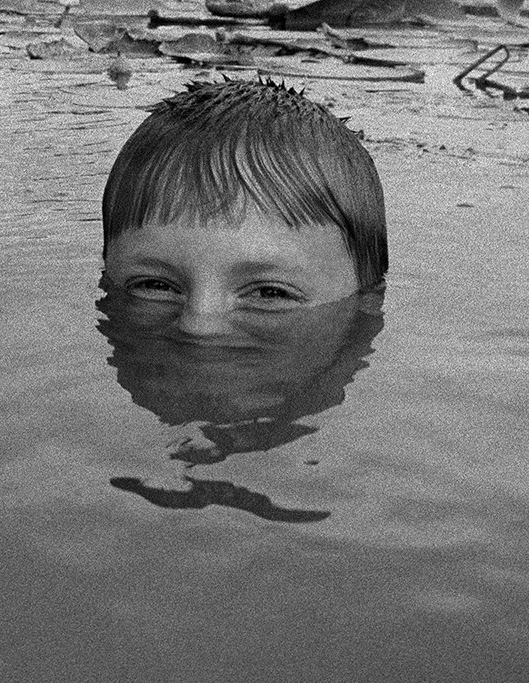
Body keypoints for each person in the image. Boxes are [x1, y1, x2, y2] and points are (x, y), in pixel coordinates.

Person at [96, 77, 389, 519]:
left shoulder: (371, 483)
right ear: (106, 275)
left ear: (369, 305)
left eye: (269, 293)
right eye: (155, 286)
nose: (199, 324)